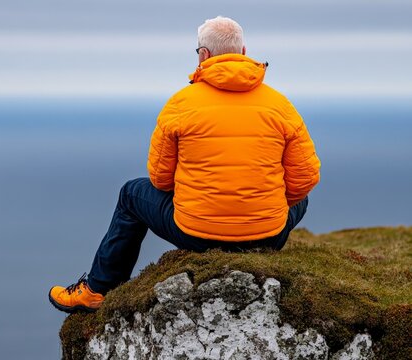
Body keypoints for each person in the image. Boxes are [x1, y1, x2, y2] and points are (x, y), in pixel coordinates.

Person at [48, 16, 321, 313]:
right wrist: (264, 210)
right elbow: (305, 179)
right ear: (243, 52)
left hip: (195, 235)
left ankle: (97, 290)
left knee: (131, 194)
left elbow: (160, 179)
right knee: (300, 198)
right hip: (269, 235)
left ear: (203, 55)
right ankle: (255, 230)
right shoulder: (281, 105)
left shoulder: (181, 103)